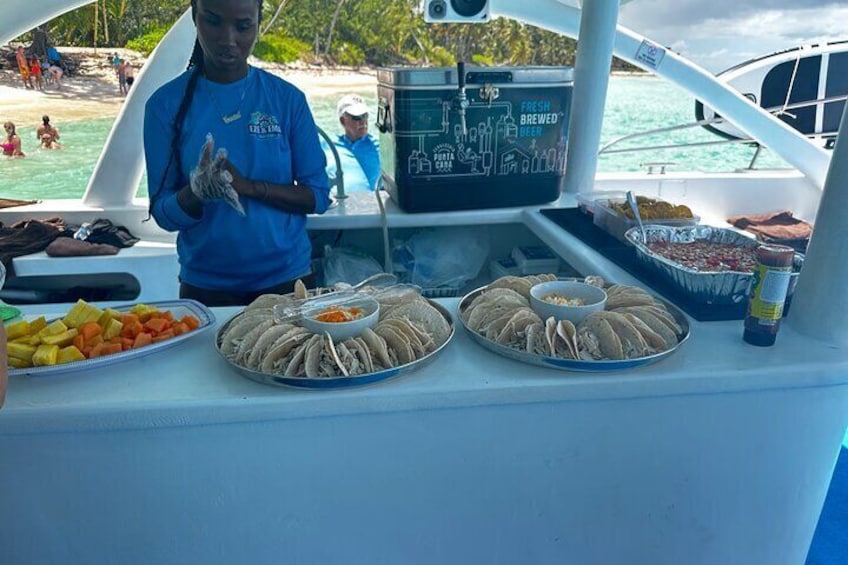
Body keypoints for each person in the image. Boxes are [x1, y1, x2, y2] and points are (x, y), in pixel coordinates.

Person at [144, 0, 330, 307]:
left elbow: (318, 196)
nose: (228, 39)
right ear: (195, 15)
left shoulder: (287, 100)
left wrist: (249, 188)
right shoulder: (165, 106)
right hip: (206, 289)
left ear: (259, 22)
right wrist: (196, 192)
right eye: (213, 22)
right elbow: (163, 214)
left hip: (287, 281)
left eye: (243, 27)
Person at [335, 93, 381, 190]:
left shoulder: (381, 147)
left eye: (365, 116)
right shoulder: (329, 146)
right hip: (340, 203)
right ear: (343, 121)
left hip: (374, 203)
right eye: (357, 118)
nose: (363, 122)